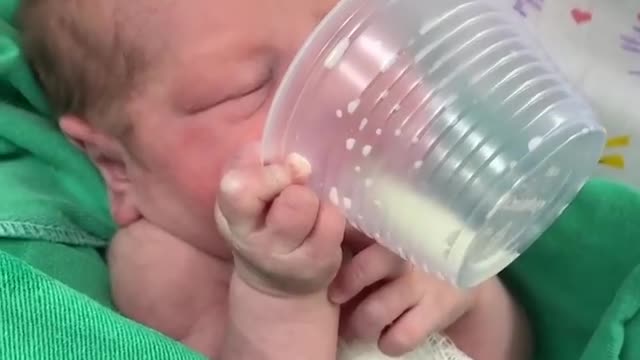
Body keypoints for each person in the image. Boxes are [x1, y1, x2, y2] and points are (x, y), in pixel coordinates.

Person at [18, 0, 530, 359]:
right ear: (118, 167)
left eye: (353, 43)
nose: (342, 95)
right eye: (246, 89)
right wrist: (279, 296)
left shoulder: (411, 194)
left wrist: (470, 297)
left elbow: (529, 351)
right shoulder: (167, 263)